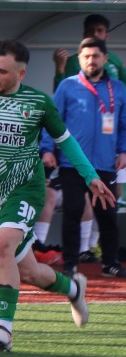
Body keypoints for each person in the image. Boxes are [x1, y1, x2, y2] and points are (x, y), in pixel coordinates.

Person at [0, 38, 114, 353]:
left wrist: (91, 177)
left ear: (21, 74)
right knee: (29, 271)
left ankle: (4, 329)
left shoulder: (38, 102)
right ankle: (74, 289)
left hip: (25, 188)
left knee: (1, 245)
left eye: (2, 71)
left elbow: (66, 141)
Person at [42, 37, 126, 278]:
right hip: (73, 164)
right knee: (73, 212)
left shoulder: (119, 89)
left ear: (105, 59)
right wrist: (47, 149)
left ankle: (110, 263)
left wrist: (123, 151)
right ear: (79, 59)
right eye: (86, 56)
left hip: (105, 164)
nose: (91, 60)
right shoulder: (67, 86)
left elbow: (124, 125)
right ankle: (70, 263)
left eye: (96, 56)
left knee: (107, 215)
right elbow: (52, 121)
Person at [53, 13, 125, 89]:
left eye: (99, 30)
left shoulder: (114, 59)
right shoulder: (73, 62)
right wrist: (59, 68)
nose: (95, 34)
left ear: (106, 36)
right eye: (91, 30)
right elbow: (60, 92)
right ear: (84, 35)